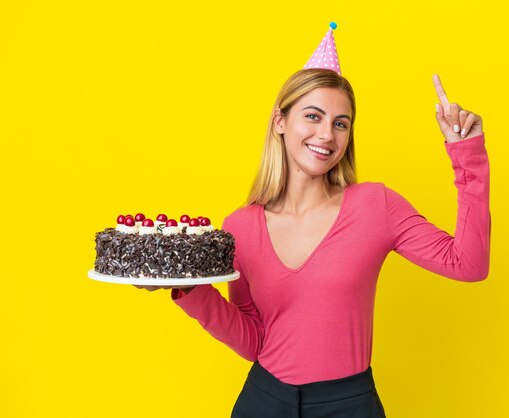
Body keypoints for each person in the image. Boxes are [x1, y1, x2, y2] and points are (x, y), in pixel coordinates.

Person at [136, 22, 490, 418]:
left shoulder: (376, 206)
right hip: (264, 401)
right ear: (280, 121)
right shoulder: (239, 227)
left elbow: (469, 265)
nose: (327, 134)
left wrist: (467, 155)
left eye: (341, 123)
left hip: (349, 404)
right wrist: (189, 290)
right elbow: (254, 341)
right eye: (313, 116)